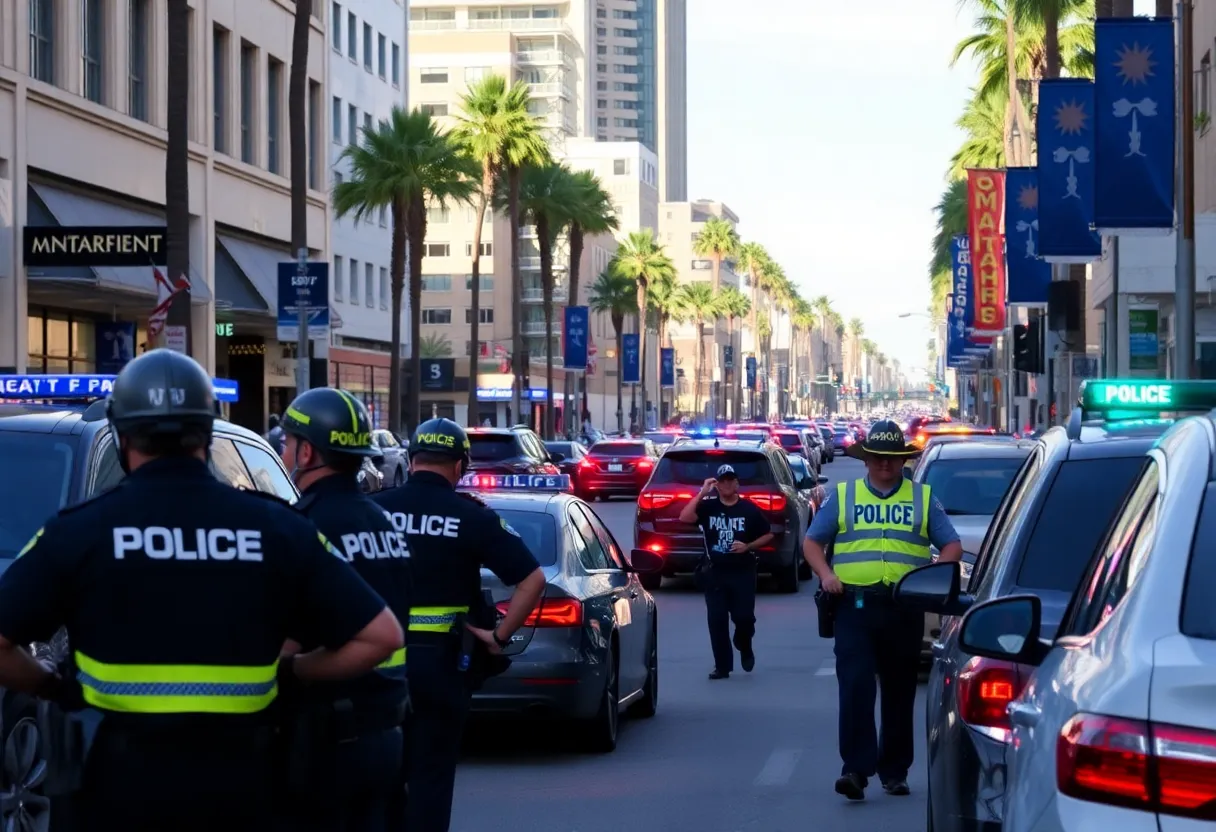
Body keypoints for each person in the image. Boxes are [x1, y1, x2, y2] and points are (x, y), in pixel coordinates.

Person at [0, 349, 403, 832]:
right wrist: (292, 672)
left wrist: (51, 686)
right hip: (244, 792)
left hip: (117, 794)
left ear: (123, 435)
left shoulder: (77, 531)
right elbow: (381, 637)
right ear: (208, 433)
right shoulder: (279, 529)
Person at [373, 417, 546, 832]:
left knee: (380, 777)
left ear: (411, 459)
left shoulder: (374, 509)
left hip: (377, 665)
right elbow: (532, 579)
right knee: (431, 777)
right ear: (459, 466)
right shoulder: (471, 516)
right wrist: (498, 636)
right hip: (442, 667)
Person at [802, 419, 962, 801]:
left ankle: (895, 771)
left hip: (904, 607)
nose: (885, 464)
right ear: (866, 460)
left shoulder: (923, 498)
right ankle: (855, 770)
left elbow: (952, 546)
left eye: (892, 458)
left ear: (903, 460)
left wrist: (931, 579)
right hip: (854, 606)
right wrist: (826, 575)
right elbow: (812, 542)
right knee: (855, 686)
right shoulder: (844, 496)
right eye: (877, 458)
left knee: (899, 689)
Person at [276, 387, 413, 831]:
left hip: (327, 735)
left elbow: (288, 636)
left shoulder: (305, 525)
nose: (283, 451)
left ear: (307, 452)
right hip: (387, 730)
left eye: (288, 442)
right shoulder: (383, 522)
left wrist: (290, 669)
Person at [678, 464, 774, 680]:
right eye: (723, 481)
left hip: (742, 572)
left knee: (744, 617)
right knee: (717, 619)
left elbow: (768, 534)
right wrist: (702, 493)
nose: (727, 484)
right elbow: (685, 517)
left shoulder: (748, 509)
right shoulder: (708, 507)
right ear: (717, 485)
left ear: (737, 484)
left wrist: (748, 546)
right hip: (715, 572)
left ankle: (744, 643)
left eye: (731, 480)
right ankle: (722, 666)